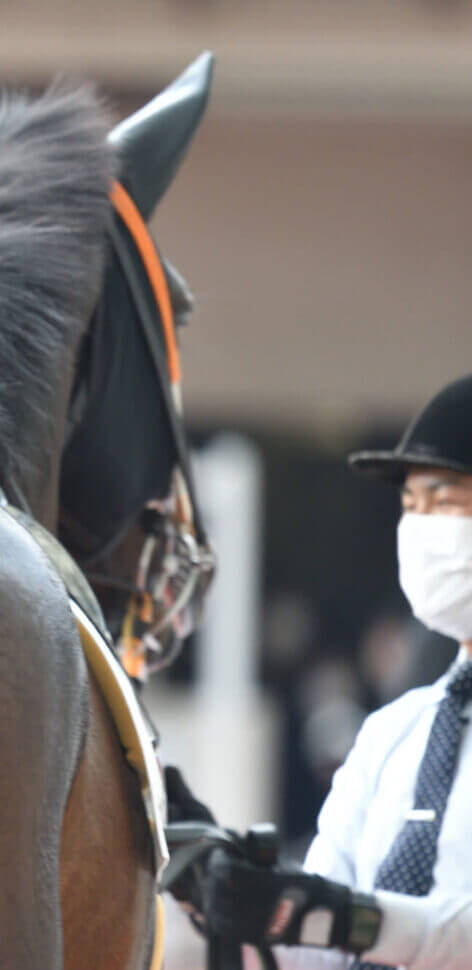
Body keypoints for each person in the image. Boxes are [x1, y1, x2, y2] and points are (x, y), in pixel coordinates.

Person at [187, 373, 472, 970]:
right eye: (409, 506)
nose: (421, 528)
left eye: (443, 501)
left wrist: (351, 920)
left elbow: (372, 925)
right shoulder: (393, 735)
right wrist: (229, 896)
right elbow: (316, 946)